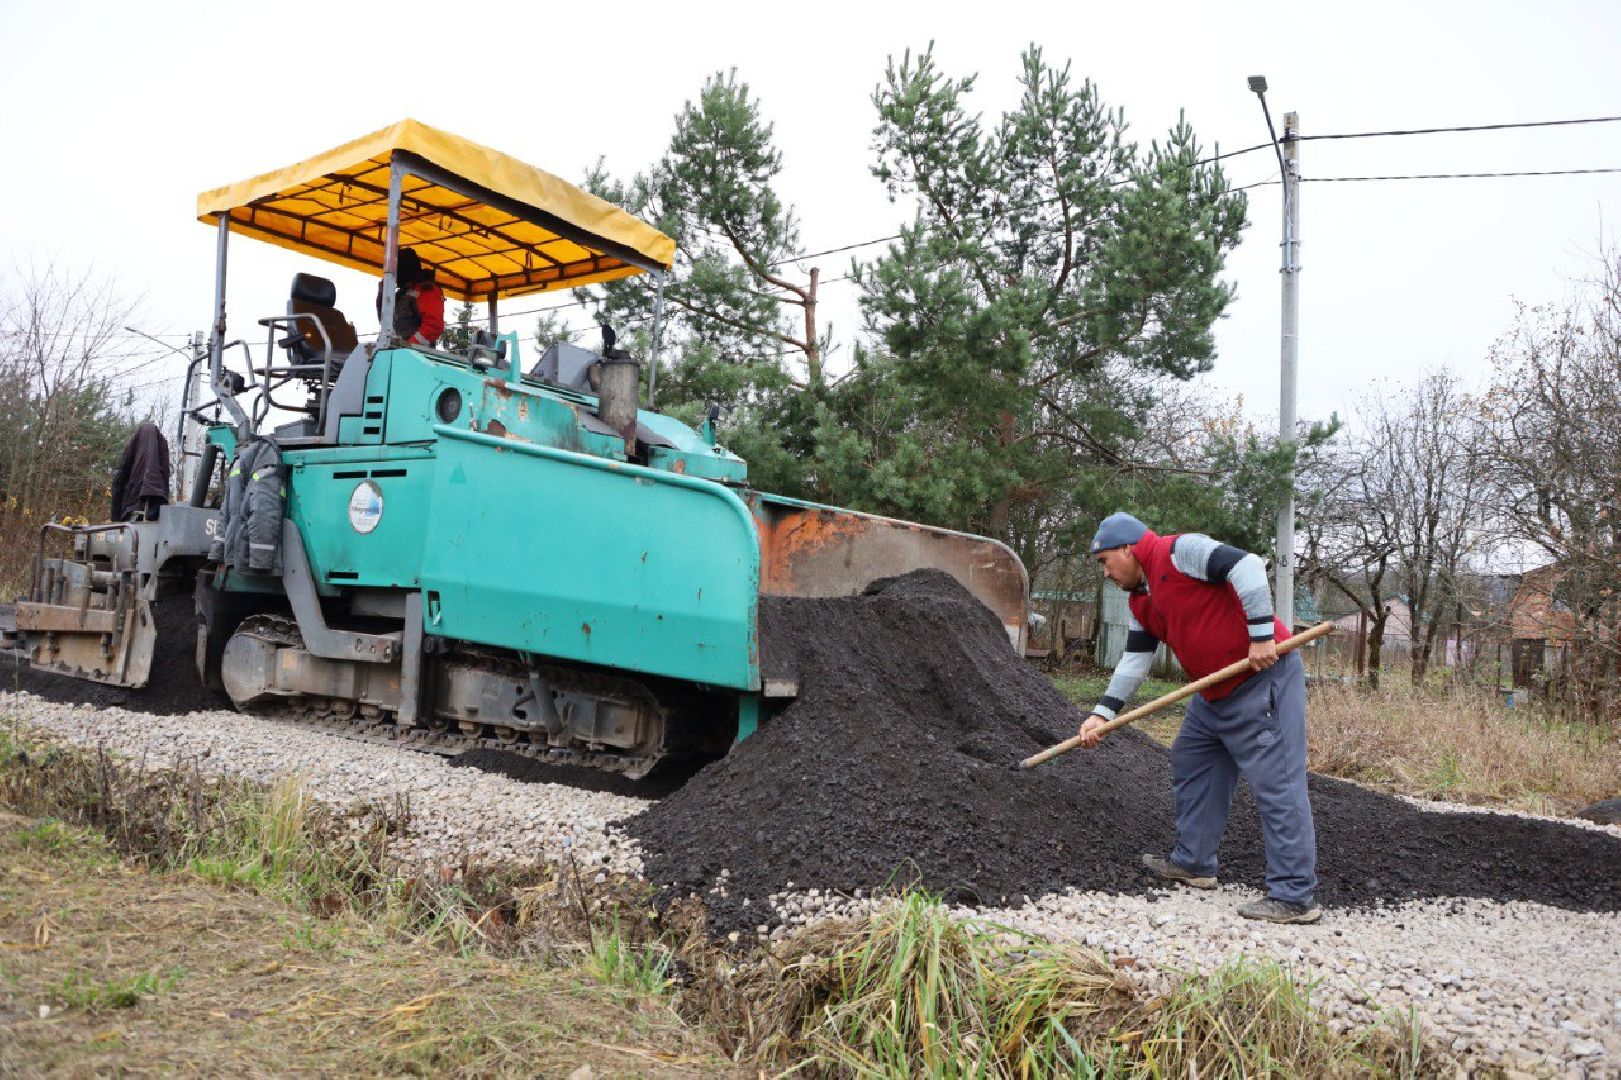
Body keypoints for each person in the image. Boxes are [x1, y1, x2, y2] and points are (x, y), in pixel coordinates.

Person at [1076, 512, 1319, 924]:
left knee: (1277, 783)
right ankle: (1195, 862)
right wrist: (1103, 713)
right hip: (1212, 695)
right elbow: (1135, 658)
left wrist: (1261, 634)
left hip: (1262, 682)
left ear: (1127, 549)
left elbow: (1247, 565)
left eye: (1105, 561)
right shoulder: (1140, 599)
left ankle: (1295, 895)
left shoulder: (1179, 551)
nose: (1105, 572)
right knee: (1193, 762)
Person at [375, 248, 444, 347]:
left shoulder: (426, 289)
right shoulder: (402, 293)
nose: (393, 273)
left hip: (415, 353)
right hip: (396, 350)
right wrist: (383, 295)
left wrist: (409, 346)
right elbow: (385, 321)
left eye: (395, 268)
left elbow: (434, 326)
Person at [110, 422, 170, 522]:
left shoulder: (132, 449)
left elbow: (119, 481)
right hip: (157, 505)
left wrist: (115, 518)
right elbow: (166, 476)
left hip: (132, 508)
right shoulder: (161, 448)